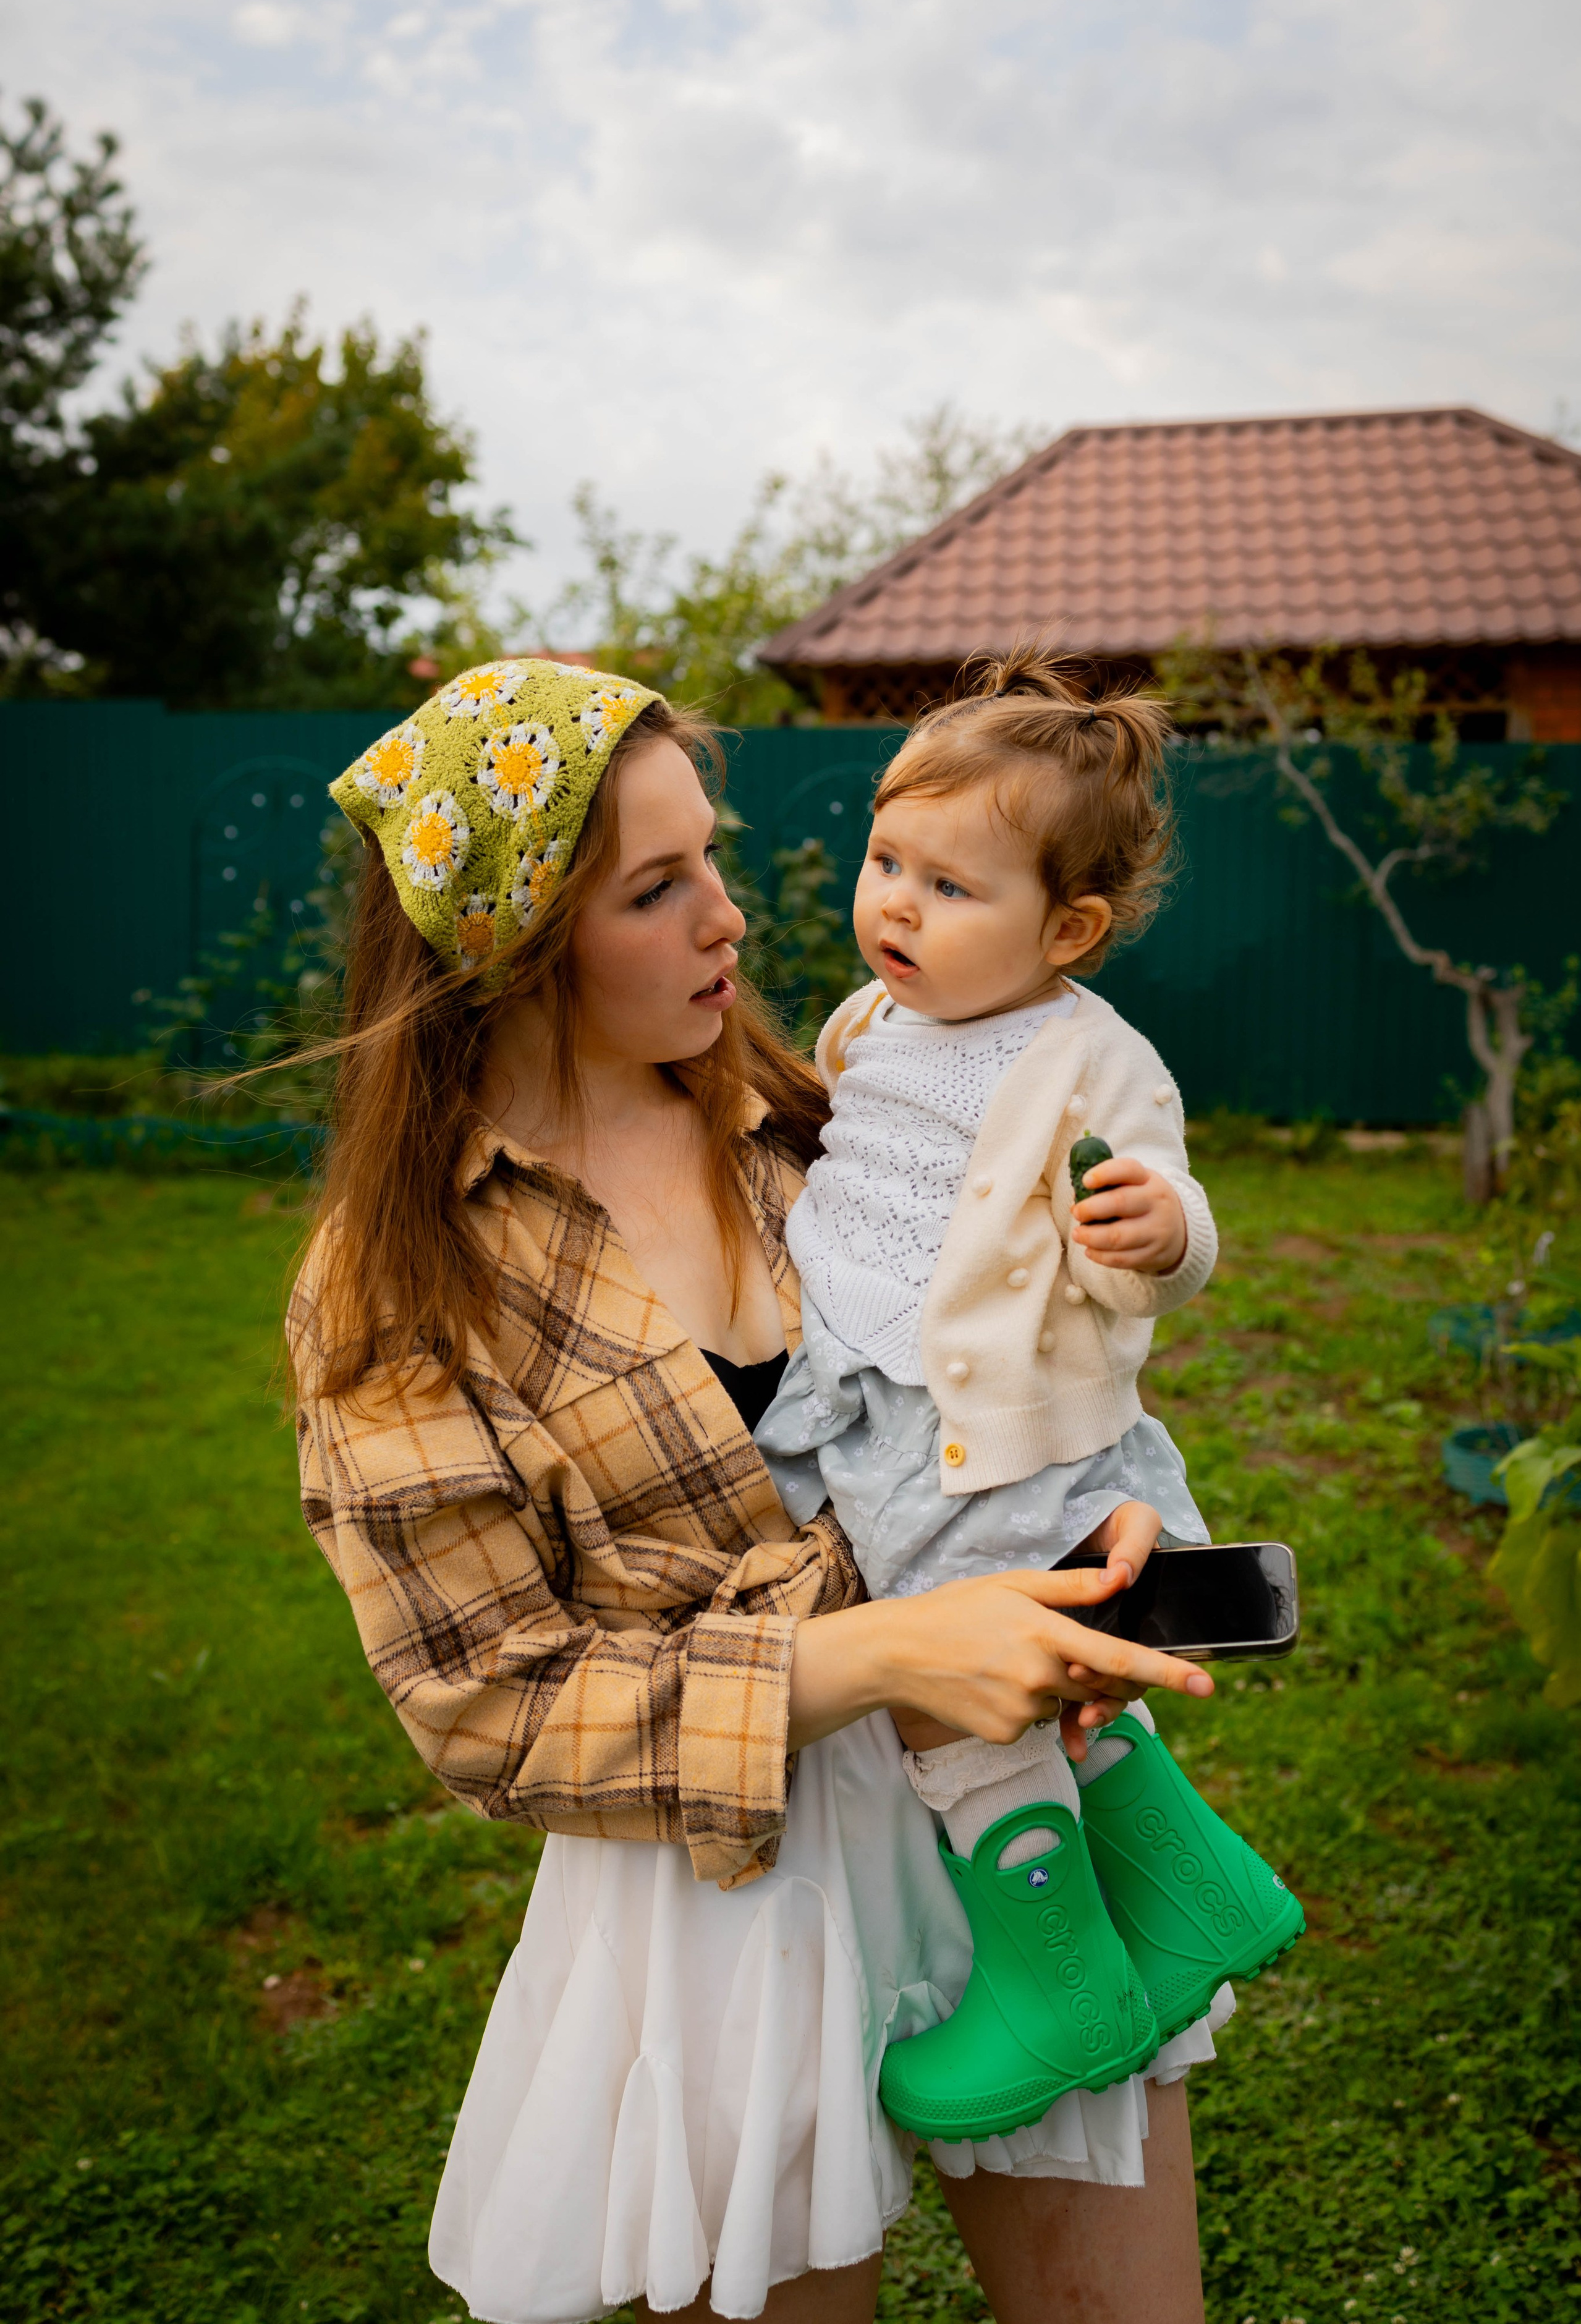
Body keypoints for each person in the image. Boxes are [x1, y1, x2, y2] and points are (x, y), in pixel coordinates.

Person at [286, 657, 1224, 2324]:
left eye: (708, 857)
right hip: (727, 1902)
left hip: (1020, 1836)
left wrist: (1098, 1510)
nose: (729, 915)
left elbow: (1011, 1354)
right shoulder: (403, 1281)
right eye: (656, 889)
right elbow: (489, 1702)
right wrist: (887, 1656)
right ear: (510, 946)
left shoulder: (822, 1115)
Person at [751, 647, 1304, 2143]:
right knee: (1046, 1671)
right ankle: (1193, 1898)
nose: (896, 906)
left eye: (949, 887)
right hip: (876, 1415)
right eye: (885, 862)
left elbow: (1157, 1214)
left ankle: (1053, 1986)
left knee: (957, 1689)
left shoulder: (1086, 1060)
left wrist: (1161, 1232)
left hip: (980, 1439)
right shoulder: (866, 1025)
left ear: (1067, 929)